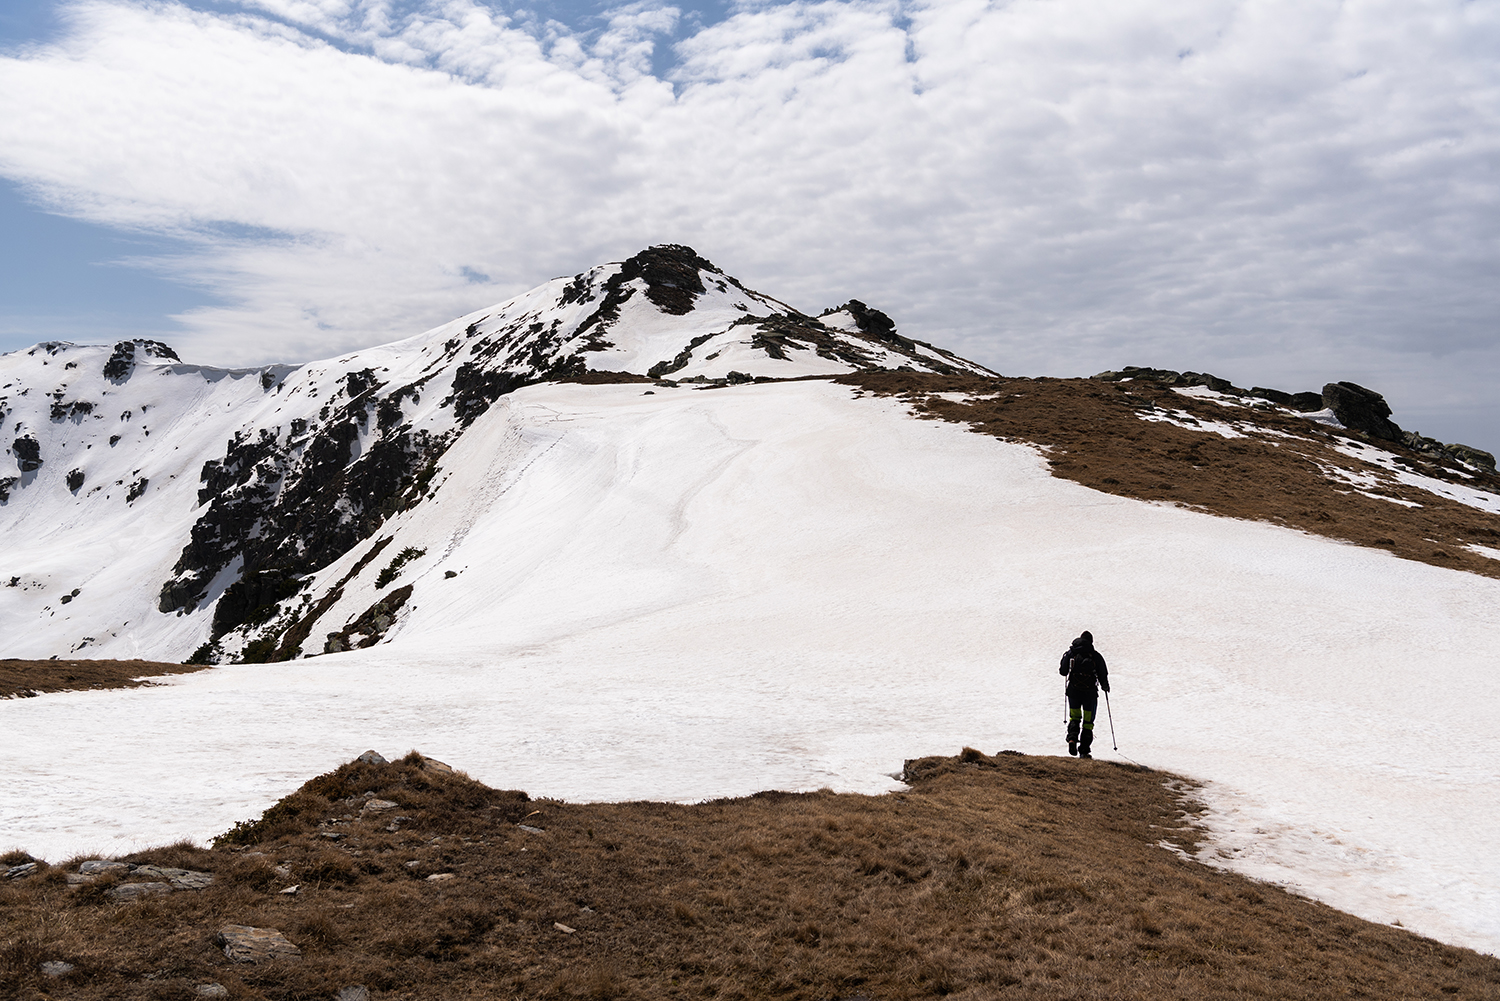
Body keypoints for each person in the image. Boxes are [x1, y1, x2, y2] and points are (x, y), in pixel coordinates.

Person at [1059, 630, 1109, 758]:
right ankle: (1084, 750)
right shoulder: (1095, 655)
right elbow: (1102, 673)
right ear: (1091, 642)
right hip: (1090, 694)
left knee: (1074, 717)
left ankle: (1072, 740)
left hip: (1073, 692)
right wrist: (1105, 686)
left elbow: (1063, 672)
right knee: (1088, 722)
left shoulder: (1071, 653)